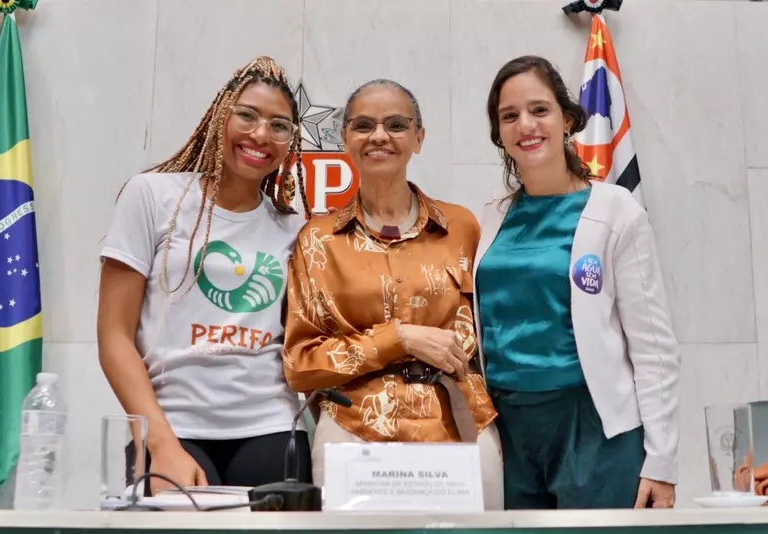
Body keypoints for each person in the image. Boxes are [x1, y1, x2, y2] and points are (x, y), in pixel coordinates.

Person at [282, 79, 504, 509]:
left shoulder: (462, 229)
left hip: (457, 426)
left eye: (396, 125)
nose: (379, 136)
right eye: (363, 125)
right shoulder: (318, 240)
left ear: (418, 139)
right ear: (344, 138)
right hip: (352, 429)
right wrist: (399, 339)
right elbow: (301, 364)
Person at [97, 56, 313, 494]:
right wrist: (158, 442)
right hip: (173, 423)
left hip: (272, 425)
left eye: (279, 125)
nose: (260, 135)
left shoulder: (294, 227)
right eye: (247, 115)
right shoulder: (153, 196)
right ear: (220, 115)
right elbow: (114, 337)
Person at [473, 56, 680, 509]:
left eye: (539, 110)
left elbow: (654, 347)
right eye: (510, 116)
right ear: (500, 135)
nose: (525, 125)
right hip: (508, 429)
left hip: (593, 429)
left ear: (567, 119)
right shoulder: (491, 217)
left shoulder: (616, 210)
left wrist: (661, 463)